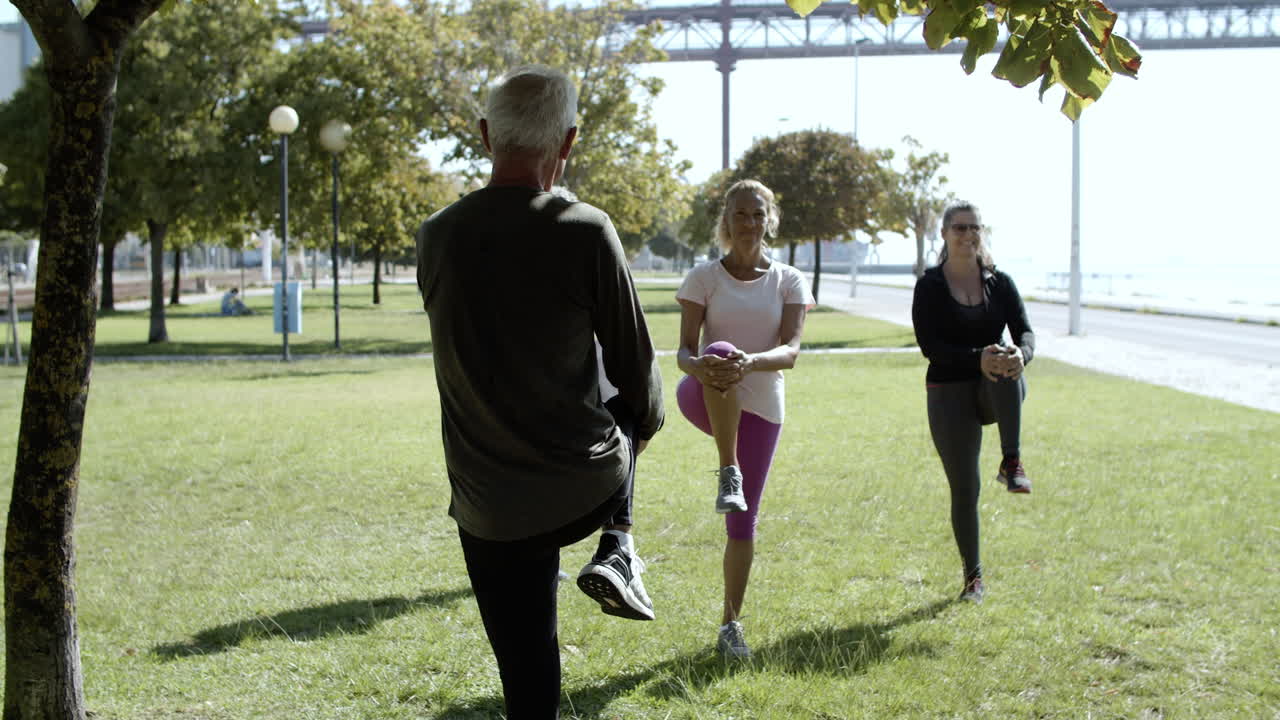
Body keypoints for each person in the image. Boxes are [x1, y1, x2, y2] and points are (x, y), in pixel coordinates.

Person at [414, 65, 664, 718]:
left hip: (486, 502)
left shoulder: (436, 235)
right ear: (569, 141)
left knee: (527, 673)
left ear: (485, 136)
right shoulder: (586, 229)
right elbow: (639, 372)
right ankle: (619, 543)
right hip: (583, 484)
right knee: (628, 396)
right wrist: (643, 423)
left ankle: (618, 548)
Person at [674, 179, 813, 658]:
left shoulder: (789, 280)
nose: (750, 223)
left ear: (768, 219)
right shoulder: (703, 278)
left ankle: (730, 626)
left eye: (758, 214)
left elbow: (792, 351)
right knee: (718, 349)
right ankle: (726, 466)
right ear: (726, 220)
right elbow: (684, 352)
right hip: (703, 393)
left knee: (742, 523)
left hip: (762, 406)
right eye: (740, 214)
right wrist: (706, 365)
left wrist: (748, 362)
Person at [911, 200, 1035, 605]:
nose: (968, 235)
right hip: (948, 393)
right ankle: (973, 578)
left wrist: (1021, 354)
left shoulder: (1001, 283)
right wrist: (975, 357)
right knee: (965, 488)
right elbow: (931, 347)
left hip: (995, 389)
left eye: (974, 228)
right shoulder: (930, 285)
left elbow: (1026, 333)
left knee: (1005, 357)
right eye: (959, 228)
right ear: (945, 234)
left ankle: (1011, 461)